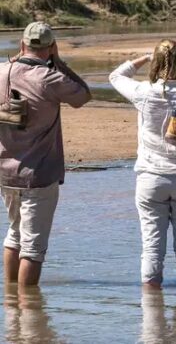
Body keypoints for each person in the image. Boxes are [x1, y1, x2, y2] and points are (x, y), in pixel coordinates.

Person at [109, 39, 176, 290]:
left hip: (150, 179)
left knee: (151, 250)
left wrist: (145, 58)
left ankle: (151, 316)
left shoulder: (143, 93)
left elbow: (116, 76)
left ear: (157, 62)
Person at [0, 22, 91, 286]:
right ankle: (30, 312)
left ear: (22, 44)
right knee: (33, 247)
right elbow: (83, 95)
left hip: (5, 172)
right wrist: (59, 62)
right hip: (38, 174)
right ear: (50, 48)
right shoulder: (51, 78)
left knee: (14, 235)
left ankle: (12, 303)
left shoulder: (3, 70)